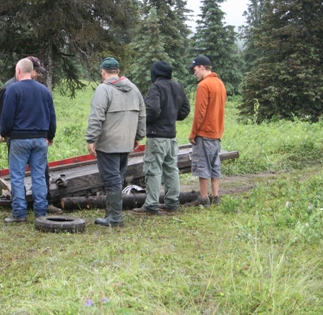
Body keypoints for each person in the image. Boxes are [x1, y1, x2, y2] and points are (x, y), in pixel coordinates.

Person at [0, 56, 63, 215]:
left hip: (19, 140)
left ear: (18, 70)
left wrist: (4, 133)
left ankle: (19, 213)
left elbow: (6, 116)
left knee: (17, 177)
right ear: (32, 71)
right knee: (39, 177)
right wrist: (50, 135)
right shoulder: (44, 90)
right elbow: (52, 116)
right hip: (40, 139)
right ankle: (41, 211)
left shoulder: (12, 89)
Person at [85, 57, 146, 227]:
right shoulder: (134, 89)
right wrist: (138, 136)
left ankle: (115, 217)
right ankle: (112, 214)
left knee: (112, 179)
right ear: (118, 71)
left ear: (103, 72)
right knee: (117, 177)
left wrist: (91, 138)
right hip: (126, 142)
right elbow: (142, 115)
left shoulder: (103, 89)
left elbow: (96, 116)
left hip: (108, 143)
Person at [132, 61, 190, 215]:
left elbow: (152, 110)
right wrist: (170, 116)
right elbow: (185, 109)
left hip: (156, 136)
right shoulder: (177, 86)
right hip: (171, 136)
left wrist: (144, 124)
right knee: (171, 170)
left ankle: (151, 204)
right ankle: (172, 202)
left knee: (153, 170)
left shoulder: (156, 87)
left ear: (155, 73)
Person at [187, 55, 227, 207]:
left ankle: (203, 198)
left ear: (202, 67)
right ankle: (215, 196)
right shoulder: (220, 83)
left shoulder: (204, 85)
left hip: (204, 132)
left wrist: (193, 133)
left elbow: (200, 112)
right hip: (217, 132)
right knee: (215, 164)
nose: (194, 73)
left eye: (195, 69)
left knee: (202, 165)